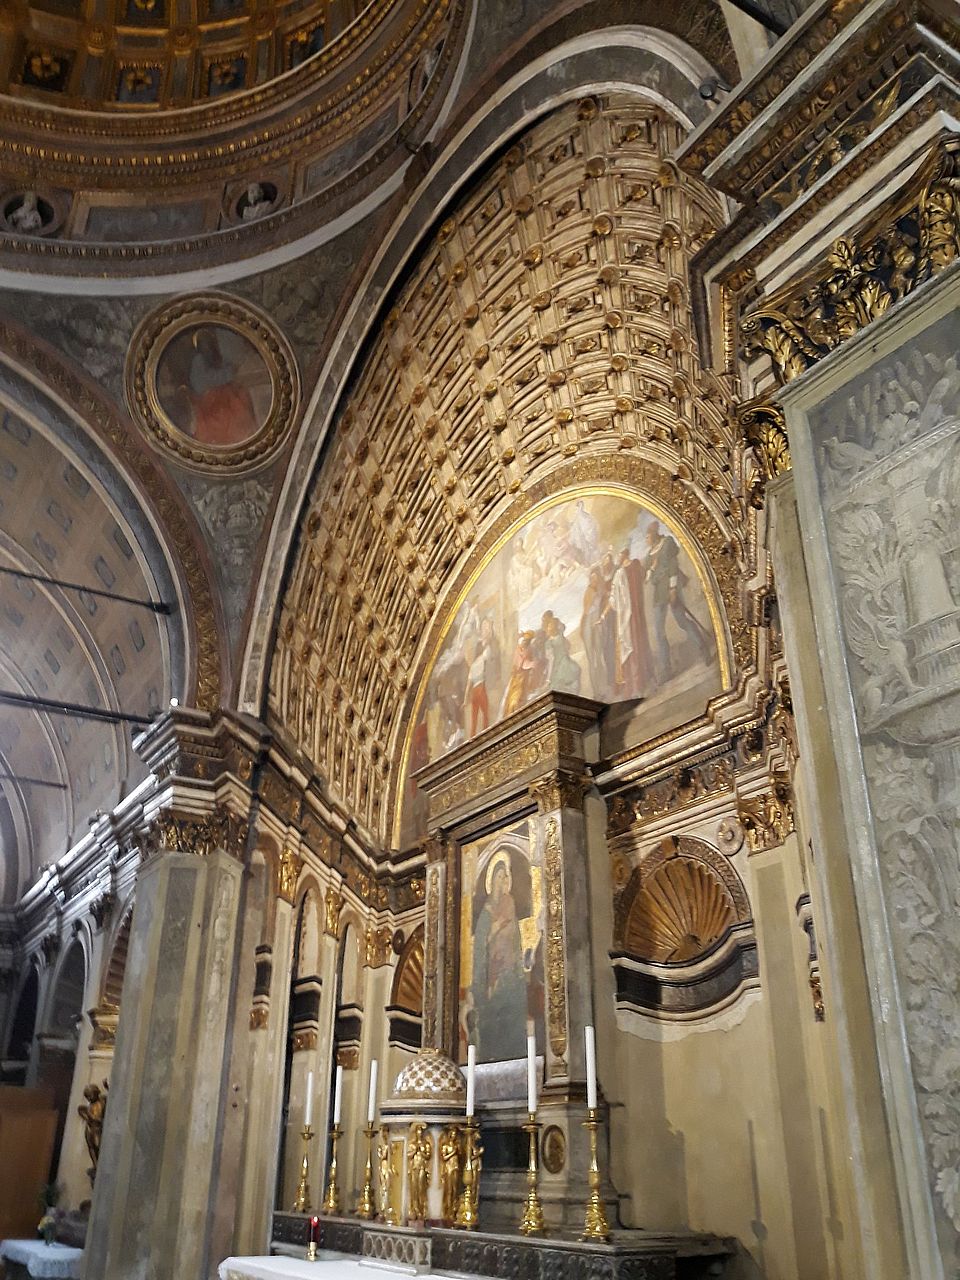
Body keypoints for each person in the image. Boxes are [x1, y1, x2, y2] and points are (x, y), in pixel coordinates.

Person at [472, 854, 527, 1059]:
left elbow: (516, 938)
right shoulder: (486, 912)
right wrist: (493, 930)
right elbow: (480, 943)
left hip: (510, 971)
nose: (504, 881)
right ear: (493, 880)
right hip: (491, 972)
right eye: (500, 877)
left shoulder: (510, 903)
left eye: (506, 877)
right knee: (490, 1017)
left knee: (512, 1013)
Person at [643, 522, 711, 680]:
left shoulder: (666, 544)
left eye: (647, 536)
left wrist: (673, 588)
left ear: (653, 534)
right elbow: (647, 578)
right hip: (659, 592)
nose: (646, 539)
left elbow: (673, 565)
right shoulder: (649, 555)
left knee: (681, 620)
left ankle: (703, 649)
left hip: (671, 585)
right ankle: (666, 670)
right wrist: (652, 569)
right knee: (659, 631)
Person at [175, 328, 259, 446]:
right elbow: (201, 383)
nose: (207, 347)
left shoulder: (218, 358)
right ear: (199, 346)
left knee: (240, 400)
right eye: (203, 344)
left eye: (209, 343)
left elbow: (229, 372)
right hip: (210, 400)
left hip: (223, 396)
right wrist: (228, 374)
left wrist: (229, 374)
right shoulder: (198, 360)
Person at [611, 546, 654, 697]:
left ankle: (640, 682)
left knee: (637, 643)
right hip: (624, 615)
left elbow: (644, 577)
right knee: (628, 646)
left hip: (634, 612)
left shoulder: (634, 566)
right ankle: (632, 684)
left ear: (624, 553)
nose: (617, 557)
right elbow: (614, 597)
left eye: (618, 553)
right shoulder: (618, 574)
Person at [581, 568, 615, 701]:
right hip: (589, 623)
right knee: (592, 659)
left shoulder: (601, 591)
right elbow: (586, 612)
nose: (593, 580)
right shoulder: (589, 591)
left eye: (595, 578)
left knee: (600, 656)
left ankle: (603, 688)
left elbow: (607, 601)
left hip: (598, 623)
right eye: (591, 578)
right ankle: (597, 691)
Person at [544, 615, 581, 694]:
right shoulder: (561, 637)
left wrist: (548, 679)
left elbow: (551, 660)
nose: (548, 628)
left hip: (558, 669)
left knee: (558, 691)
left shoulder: (549, 643)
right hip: (568, 666)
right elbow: (568, 646)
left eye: (549, 626)